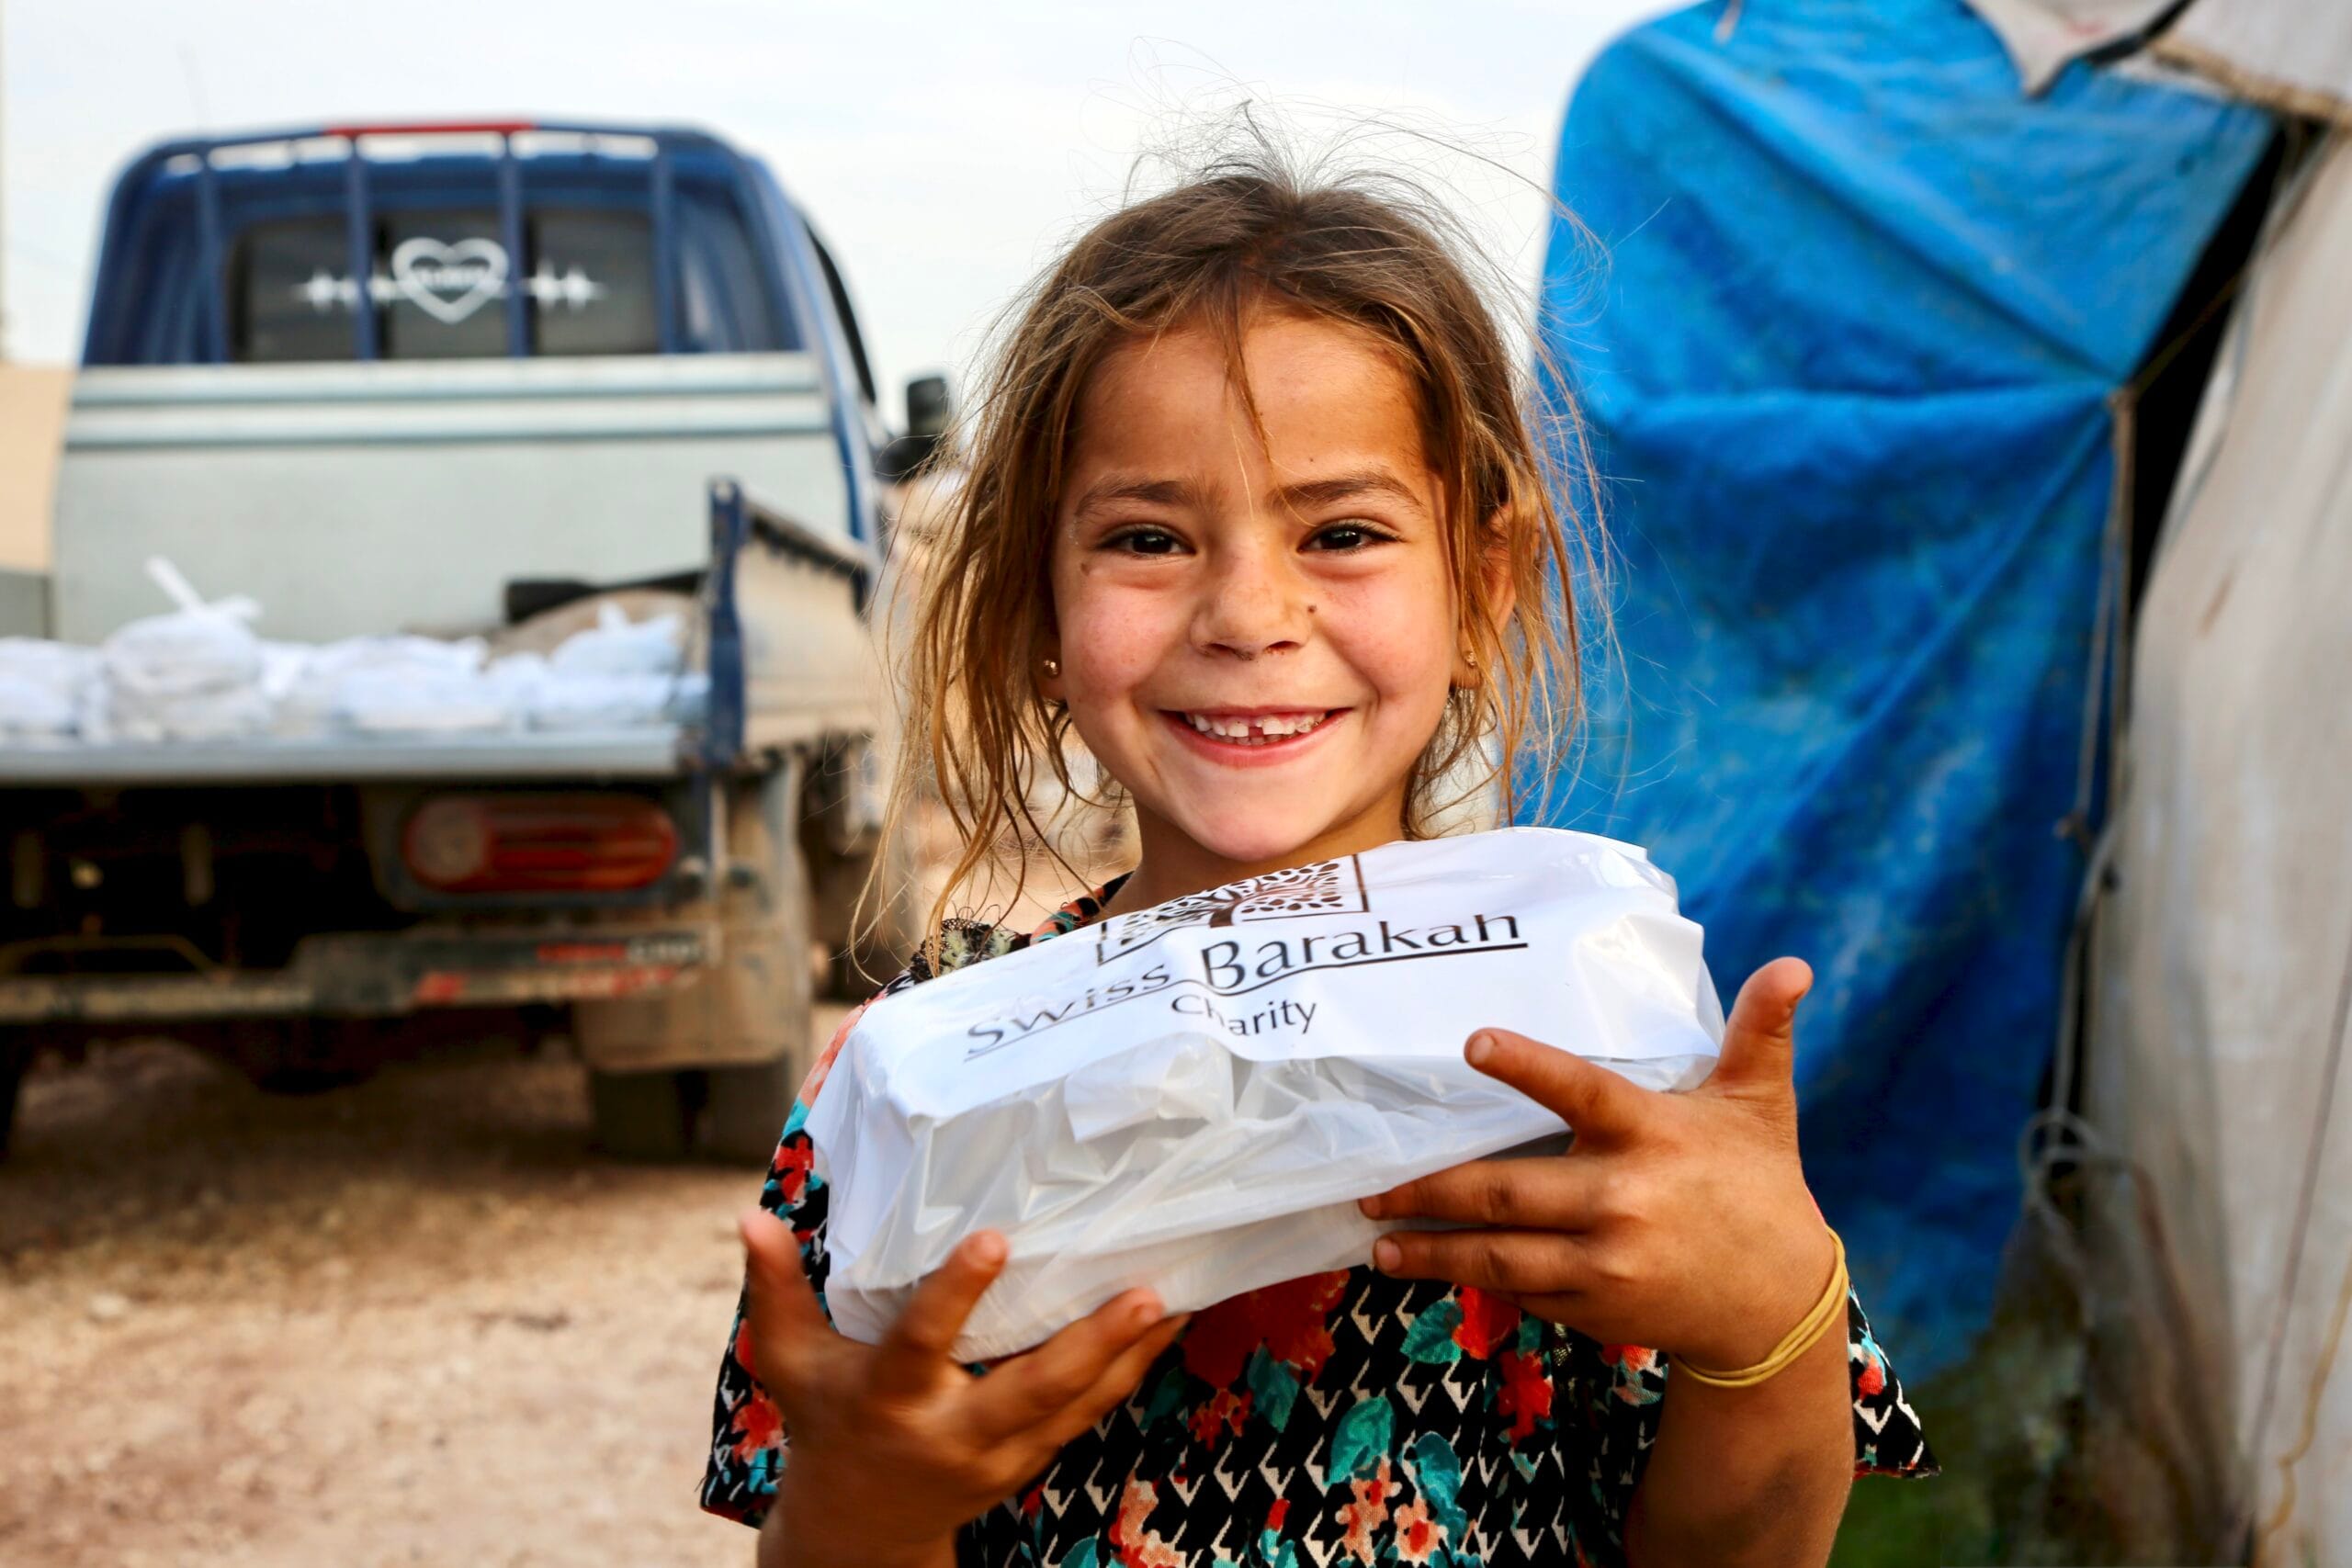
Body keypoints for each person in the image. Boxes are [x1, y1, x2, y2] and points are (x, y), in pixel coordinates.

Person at [700, 149, 1935, 1568]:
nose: (1248, 612)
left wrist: (1771, 1311)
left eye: (1343, 532)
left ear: (1482, 588)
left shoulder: (1585, 1062)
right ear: (1038, 604)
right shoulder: (920, 1084)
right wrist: (866, 1500)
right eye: (1149, 538)